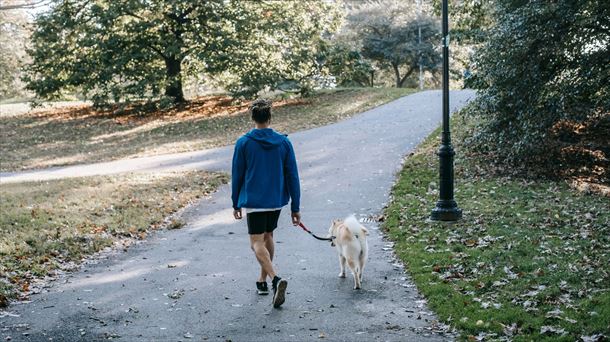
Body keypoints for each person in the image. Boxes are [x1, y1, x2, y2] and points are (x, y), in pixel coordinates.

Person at [231, 99, 301, 308]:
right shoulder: (284, 142)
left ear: (253, 117)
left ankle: (275, 278)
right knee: (268, 236)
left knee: (256, 242)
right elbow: (293, 175)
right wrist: (295, 206)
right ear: (270, 117)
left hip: (255, 200)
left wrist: (236, 203)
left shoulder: (243, 142)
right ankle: (262, 281)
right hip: (276, 200)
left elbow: (237, 175)